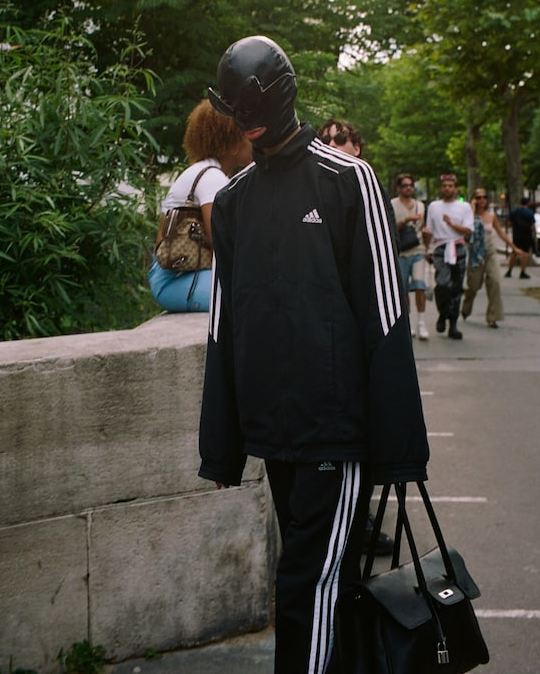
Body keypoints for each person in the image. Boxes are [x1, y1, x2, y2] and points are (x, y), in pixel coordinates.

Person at [199, 35, 429, 674]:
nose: (246, 125)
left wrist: (398, 449)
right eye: (236, 112)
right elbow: (226, 326)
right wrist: (222, 445)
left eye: (253, 109)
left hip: (337, 437)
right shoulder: (235, 201)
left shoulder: (348, 181)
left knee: (309, 586)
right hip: (276, 436)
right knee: (318, 578)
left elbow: (385, 317)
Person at [318, 117, 395, 557]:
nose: (332, 143)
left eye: (340, 138)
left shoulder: (363, 187)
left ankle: (359, 522)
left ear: (358, 146)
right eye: (326, 138)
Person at [147, 99, 252, 313]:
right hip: (175, 281)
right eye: (246, 133)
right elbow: (222, 242)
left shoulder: (204, 171)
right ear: (232, 142)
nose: (252, 140)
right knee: (256, 293)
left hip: (177, 277)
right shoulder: (212, 178)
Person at [462, 189, 522, 329]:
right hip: (475, 253)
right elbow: (466, 229)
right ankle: (466, 307)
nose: (482, 200)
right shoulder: (469, 215)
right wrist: (471, 207)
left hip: (489, 251)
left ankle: (493, 317)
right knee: (473, 286)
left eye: (484, 197)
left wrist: (514, 247)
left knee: (494, 281)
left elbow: (501, 234)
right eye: (478, 197)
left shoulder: (491, 216)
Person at [425, 173, 474, 340]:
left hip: (458, 247)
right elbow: (429, 230)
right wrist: (428, 248)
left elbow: (468, 231)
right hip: (440, 248)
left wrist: (451, 224)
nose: (447, 188)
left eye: (450, 186)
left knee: (457, 287)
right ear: (441, 188)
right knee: (443, 283)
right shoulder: (434, 206)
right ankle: (442, 312)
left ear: (455, 188)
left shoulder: (465, 207)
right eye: (444, 186)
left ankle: (453, 323)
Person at [391, 174, 430, 340]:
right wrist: (407, 220)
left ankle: (421, 323)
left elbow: (424, 228)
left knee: (420, 286)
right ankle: (408, 322)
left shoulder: (421, 206)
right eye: (405, 185)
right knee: (403, 289)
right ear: (398, 188)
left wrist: (428, 245)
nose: (408, 188)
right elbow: (390, 227)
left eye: (410, 185)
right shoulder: (392, 204)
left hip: (418, 249)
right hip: (401, 252)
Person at [504, 196, 536, 279]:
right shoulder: (530, 213)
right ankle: (522, 272)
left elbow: (509, 224)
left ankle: (509, 271)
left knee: (514, 253)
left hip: (516, 235)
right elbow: (533, 226)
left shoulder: (514, 212)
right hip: (527, 235)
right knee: (525, 254)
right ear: (528, 203)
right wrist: (535, 236)